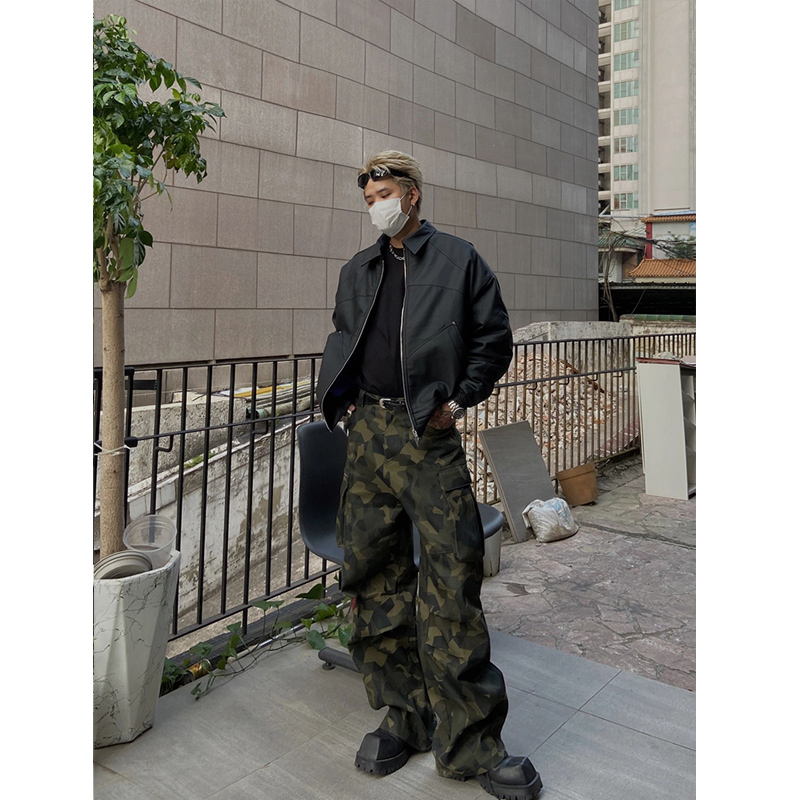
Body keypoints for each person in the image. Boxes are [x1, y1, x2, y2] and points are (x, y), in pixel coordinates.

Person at [315, 151, 542, 800]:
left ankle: (471, 745)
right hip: (369, 436)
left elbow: (493, 339)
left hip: (427, 435)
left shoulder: (457, 260)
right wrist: (343, 402)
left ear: (411, 195)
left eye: (384, 194)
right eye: (368, 199)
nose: (376, 207)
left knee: (451, 580)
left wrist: (458, 401)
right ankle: (404, 716)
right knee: (373, 576)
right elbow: (342, 337)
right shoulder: (357, 270)